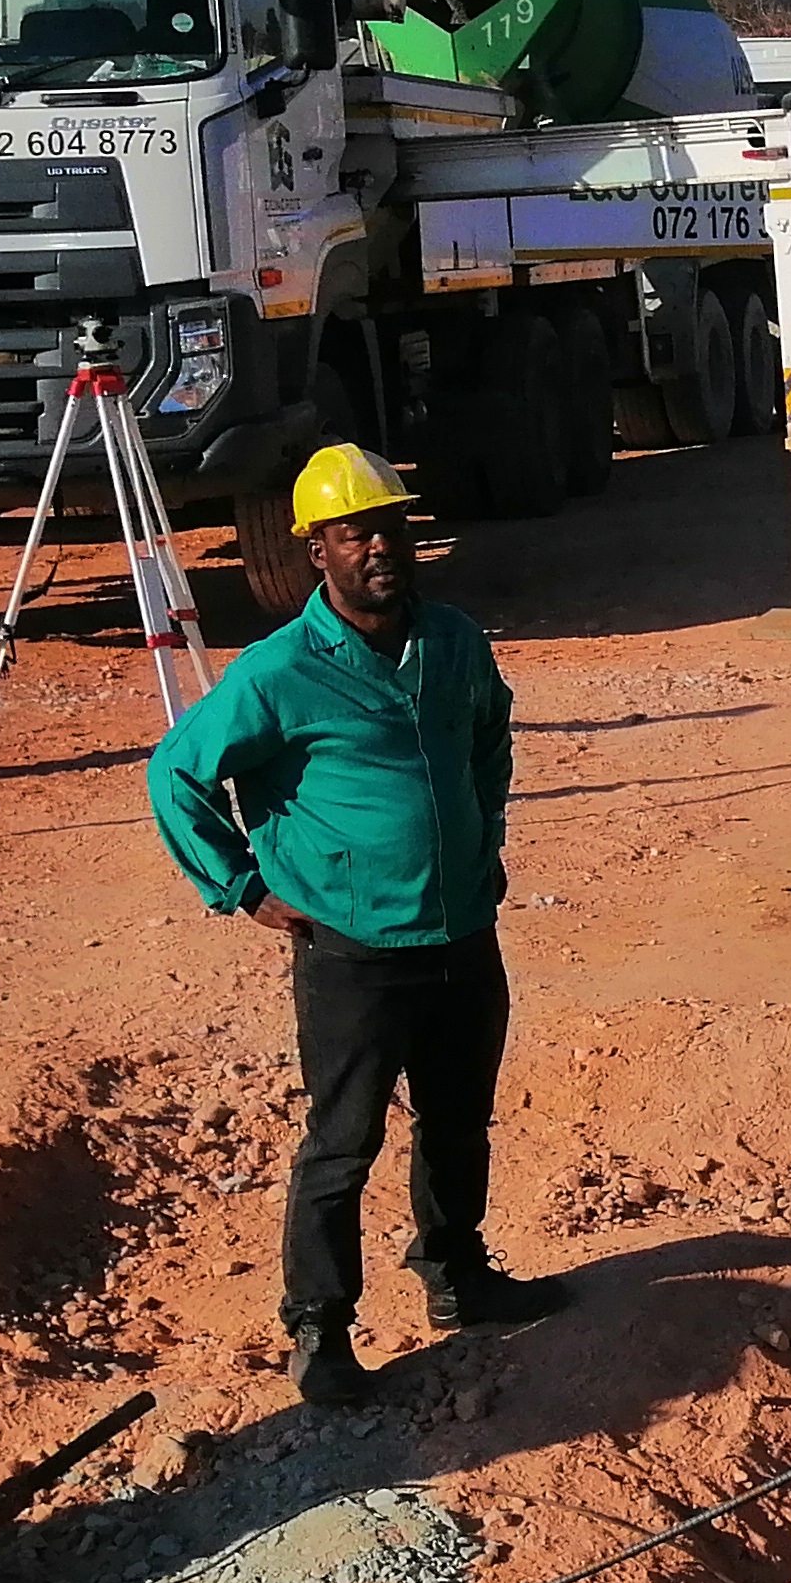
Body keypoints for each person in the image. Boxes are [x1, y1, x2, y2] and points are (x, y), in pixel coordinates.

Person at [147, 443, 569, 1407]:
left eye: (390, 526)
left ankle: (458, 1277)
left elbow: (489, 737)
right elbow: (176, 775)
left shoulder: (456, 641)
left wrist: (484, 836)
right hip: (353, 954)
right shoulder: (279, 672)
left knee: (459, 1124)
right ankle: (322, 1330)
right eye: (353, 533)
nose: (377, 546)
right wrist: (242, 888)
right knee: (342, 1145)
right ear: (316, 553)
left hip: (462, 936)